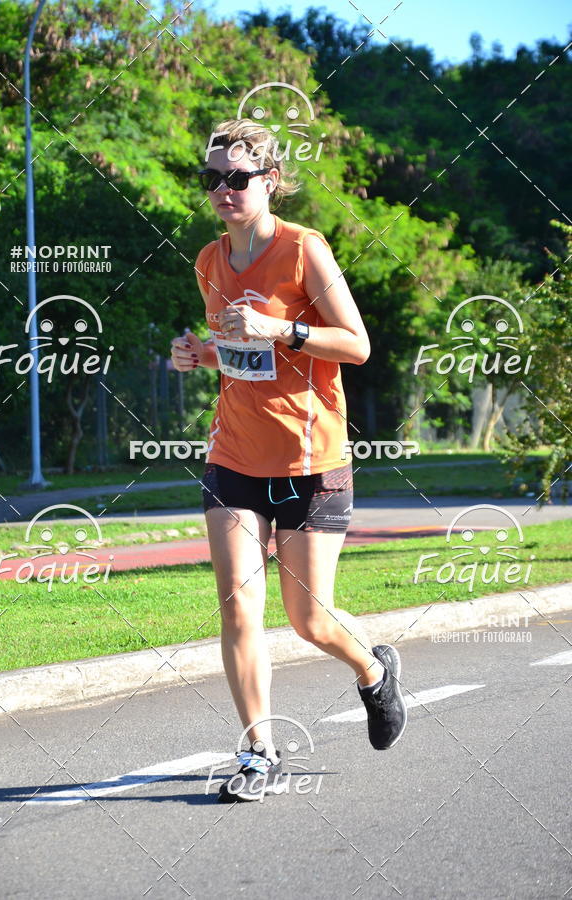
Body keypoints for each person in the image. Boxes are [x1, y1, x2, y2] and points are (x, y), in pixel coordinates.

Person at [171, 119, 407, 802]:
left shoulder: (305, 249)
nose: (223, 189)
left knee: (309, 621)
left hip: (311, 460)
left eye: (237, 177)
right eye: (212, 178)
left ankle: (374, 672)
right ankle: (258, 754)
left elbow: (356, 345)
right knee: (239, 610)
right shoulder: (209, 260)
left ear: (270, 180)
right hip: (234, 457)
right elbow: (241, 357)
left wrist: (282, 326)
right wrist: (200, 355)